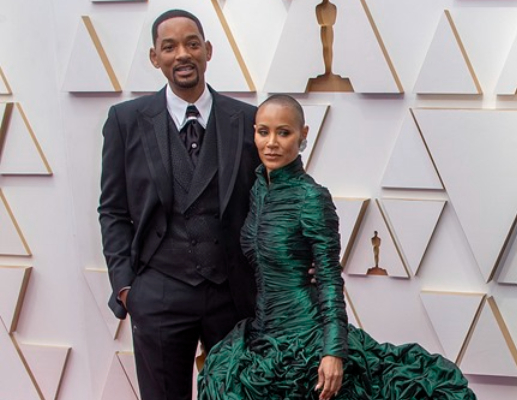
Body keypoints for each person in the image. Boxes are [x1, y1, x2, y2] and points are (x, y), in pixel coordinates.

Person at [197, 94, 477, 400]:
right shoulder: (257, 191)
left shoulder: (312, 198)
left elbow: (330, 279)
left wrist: (333, 352)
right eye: (263, 132)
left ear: (303, 135)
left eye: (284, 132)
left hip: (307, 338)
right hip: (263, 337)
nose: (272, 143)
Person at [98, 9, 260, 400]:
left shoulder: (249, 120)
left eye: (191, 44)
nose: (181, 55)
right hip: (158, 293)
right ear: (155, 58)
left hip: (232, 295)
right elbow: (113, 210)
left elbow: (270, 204)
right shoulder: (125, 121)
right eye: (168, 47)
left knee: (239, 393)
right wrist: (126, 287)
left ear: (208, 51)